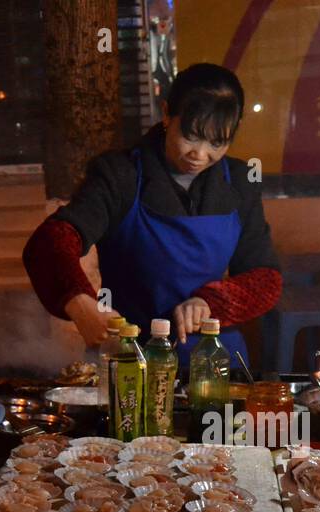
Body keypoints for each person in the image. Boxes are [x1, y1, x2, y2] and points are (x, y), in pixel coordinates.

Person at [23, 62, 281, 373]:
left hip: (214, 363)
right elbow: (50, 241)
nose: (199, 155)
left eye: (217, 143)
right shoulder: (120, 175)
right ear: (167, 114)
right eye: (191, 135)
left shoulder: (240, 181)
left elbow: (265, 277)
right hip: (132, 362)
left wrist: (211, 302)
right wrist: (78, 301)